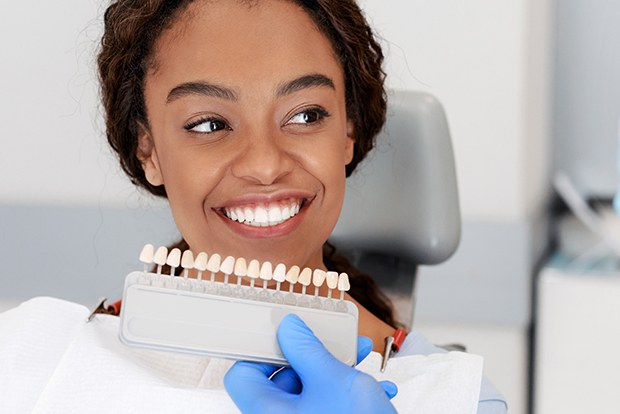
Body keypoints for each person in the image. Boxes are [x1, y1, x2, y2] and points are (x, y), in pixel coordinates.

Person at [4, 0, 506, 412]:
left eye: (306, 114)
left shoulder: (455, 398)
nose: (265, 165)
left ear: (347, 132)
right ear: (149, 151)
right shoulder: (33, 360)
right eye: (208, 124)